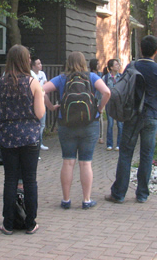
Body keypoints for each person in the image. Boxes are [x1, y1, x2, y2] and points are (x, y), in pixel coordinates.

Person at [104, 35, 157, 204]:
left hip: (132, 116)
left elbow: (124, 89)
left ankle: (118, 194)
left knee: (126, 153)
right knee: (146, 155)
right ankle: (142, 194)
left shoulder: (131, 66)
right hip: (151, 116)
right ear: (156, 51)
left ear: (141, 49)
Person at [43, 52, 110, 210]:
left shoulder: (62, 79)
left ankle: (66, 200)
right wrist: (99, 109)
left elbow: (41, 90)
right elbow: (107, 92)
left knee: (68, 161)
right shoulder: (92, 77)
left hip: (66, 124)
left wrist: (51, 107)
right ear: (83, 63)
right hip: (89, 124)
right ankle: (86, 200)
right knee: (86, 163)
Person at [0, 45, 45, 235]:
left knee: (10, 180)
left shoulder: (0, 82)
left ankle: (8, 223)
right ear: (26, 60)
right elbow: (40, 113)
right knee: (30, 180)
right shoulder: (33, 82)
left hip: (8, 135)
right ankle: (30, 222)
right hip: (30, 136)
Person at [102, 59, 124, 151]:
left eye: (118, 64)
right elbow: (102, 90)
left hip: (119, 103)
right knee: (110, 124)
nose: (118, 66)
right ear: (111, 67)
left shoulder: (122, 77)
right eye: (116, 64)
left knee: (120, 124)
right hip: (109, 103)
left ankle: (119, 144)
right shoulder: (106, 78)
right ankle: (109, 144)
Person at [30, 56, 48, 150]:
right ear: (33, 66)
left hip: (42, 99)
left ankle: (40, 142)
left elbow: (46, 84)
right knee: (36, 123)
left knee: (42, 124)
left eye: (40, 63)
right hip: (35, 101)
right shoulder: (31, 75)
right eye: (38, 64)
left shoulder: (42, 73)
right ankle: (36, 142)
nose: (40, 65)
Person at [89, 59, 105, 145]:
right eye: (98, 64)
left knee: (100, 118)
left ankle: (101, 136)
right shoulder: (89, 75)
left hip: (99, 99)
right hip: (92, 99)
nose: (99, 65)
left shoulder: (100, 75)